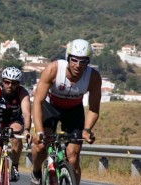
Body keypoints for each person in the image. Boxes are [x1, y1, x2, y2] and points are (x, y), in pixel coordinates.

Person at [30, 39, 102, 185]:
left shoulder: (93, 77)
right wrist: (38, 130)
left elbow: (94, 108)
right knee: (41, 145)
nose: (78, 65)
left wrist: (87, 129)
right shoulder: (53, 70)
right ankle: (36, 172)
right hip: (50, 107)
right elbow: (37, 101)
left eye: (83, 61)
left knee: (73, 157)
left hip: (73, 110)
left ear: (88, 62)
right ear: (67, 58)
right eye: (74, 60)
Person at [0, 67, 31, 185]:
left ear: (18, 84)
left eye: (14, 83)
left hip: (14, 121)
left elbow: (26, 113)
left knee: (15, 133)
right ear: (2, 81)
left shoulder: (22, 93)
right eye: (7, 82)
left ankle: (15, 166)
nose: (10, 85)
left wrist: (27, 130)